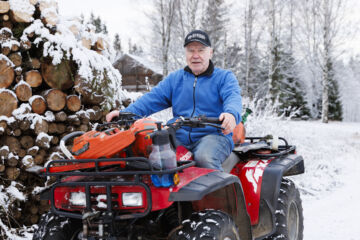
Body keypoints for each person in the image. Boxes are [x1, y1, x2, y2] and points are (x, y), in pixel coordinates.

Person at [106, 30, 242, 171]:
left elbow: (233, 98)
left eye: (201, 50)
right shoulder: (175, 79)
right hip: (178, 135)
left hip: (213, 135)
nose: (195, 56)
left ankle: (217, 193)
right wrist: (124, 114)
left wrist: (231, 114)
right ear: (185, 53)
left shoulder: (224, 77)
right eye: (191, 50)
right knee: (150, 155)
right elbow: (151, 99)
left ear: (210, 53)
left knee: (204, 157)